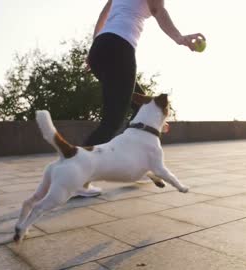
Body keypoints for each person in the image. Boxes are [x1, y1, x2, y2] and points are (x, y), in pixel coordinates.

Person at [77, 0, 205, 197]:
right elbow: (157, 10)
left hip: (101, 47)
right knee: (113, 121)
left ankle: (141, 168)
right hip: (119, 47)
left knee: (138, 106)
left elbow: (104, 15)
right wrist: (179, 37)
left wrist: (94, 46)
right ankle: (78, 179)